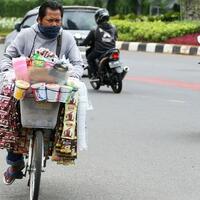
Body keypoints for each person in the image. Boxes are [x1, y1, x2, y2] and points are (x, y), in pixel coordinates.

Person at [0, 0, 83, 185]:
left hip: (54, 88)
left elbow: (77, 64)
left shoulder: (66, 38)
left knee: (67, 111)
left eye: (58, 20)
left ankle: (55, 149)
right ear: (39, 19)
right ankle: (15, 163)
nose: (54, 24)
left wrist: (75, 77)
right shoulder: (26, 35)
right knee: (11, 116)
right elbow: (7, 56)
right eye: (50, 20)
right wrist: (8, 74)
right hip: (26, 85)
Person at [81, 8, 118, 79]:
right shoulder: (114, 27)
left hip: (99, 51)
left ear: (98, 18)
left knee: (89, 58)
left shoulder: (94, 29)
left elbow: (86, 41)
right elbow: (116, 37)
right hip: (112, 51)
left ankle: (95, 74)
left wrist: (82, 43)